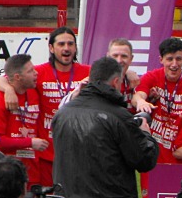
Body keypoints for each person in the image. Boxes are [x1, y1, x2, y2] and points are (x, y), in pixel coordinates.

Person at [0, 27, 91, 187]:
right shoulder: (38, 73)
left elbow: (111, 77)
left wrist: (128, 74)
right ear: (51, 48)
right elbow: (0, 80)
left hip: (78, 149)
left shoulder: (88, 72)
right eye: (61, 44)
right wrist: (8, 89)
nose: (66, 48)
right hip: (47, 153)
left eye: (71, 44)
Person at [52, 57, 158, 198]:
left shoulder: (62, 113)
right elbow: (145, 160)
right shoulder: (119, 116)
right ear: (115, 82)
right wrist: (145, 134)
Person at [132, 37, 182, 164]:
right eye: (169, 59)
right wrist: (141, 101)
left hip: (181, 160)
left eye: (178, 59)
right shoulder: (152, 77)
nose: (174, 64)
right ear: (161, 60)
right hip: (154, 158)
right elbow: (137, 96)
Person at [0, 54, 45, 189]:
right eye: (30, 71)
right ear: (18, 77)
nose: (36, 73)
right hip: (8, 175)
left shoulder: (33, 91)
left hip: (32, 171)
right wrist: (29, 142)